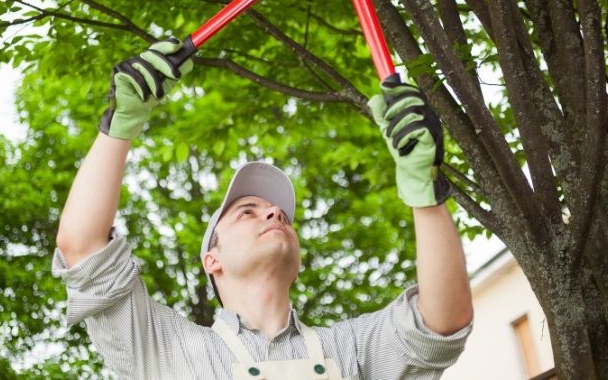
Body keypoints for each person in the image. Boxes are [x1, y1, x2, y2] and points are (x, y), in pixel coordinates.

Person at [52, 39, 473, 379]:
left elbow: (443, 322)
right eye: (248, 211)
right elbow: (82, 247)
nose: (273, 214)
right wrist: (119, 126)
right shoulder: (166, 350)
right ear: (211, 259)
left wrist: (425, 191)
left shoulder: (351, 349)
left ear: (299, 263)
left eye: (282, 216)